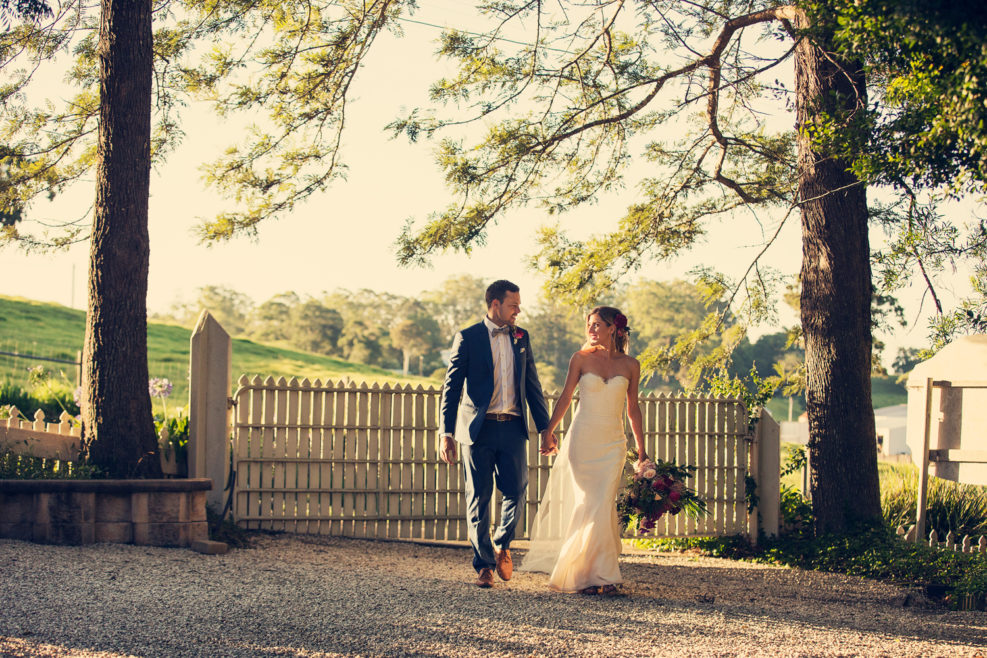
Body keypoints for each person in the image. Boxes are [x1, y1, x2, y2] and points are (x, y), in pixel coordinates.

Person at [521, 306, 648, 595]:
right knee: (589, 503)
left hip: (613, 443)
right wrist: (549, 431)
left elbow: (633, 409)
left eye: (597, 325)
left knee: (602, 503)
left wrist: (642, 451)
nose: (591, 330)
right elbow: (566, 397)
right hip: (582, 440)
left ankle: (595, 575)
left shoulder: (631, 364)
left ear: (613, 328)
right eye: (589, 325)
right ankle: (592, 577)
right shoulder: (579, 359)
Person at [439, 279, 553, 588]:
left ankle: (503, 543)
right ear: (495, 305)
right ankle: (484, 565)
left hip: (513, 427)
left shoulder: (521, 337)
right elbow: (451, 389)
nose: (519, 310)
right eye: (513, 304)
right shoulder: (468, 337)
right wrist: (445, 432)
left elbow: (532, 385)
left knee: (516, 490)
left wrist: (546, 428)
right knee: (479, 497)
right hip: (477, 429)